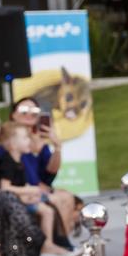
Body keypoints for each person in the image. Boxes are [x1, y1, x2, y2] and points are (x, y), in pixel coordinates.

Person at [0, 122, 81, 256]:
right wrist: (28, 192)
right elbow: (4, 188)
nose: (29, 140)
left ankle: (52, 247)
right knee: (45, 211)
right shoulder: (7, 162)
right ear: (12, 143)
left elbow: (22, 184)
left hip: (19, 199)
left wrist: (32, 191)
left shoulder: (19, 161)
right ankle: (47, 248)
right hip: (7, 203)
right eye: (25, 138)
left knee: (48, 208)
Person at [7, 97, 82, 241]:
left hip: (39, 187)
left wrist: (57, 147)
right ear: (13, 115)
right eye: (23, 110)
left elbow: (50, 173)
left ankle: (61, 246)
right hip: (22, 190)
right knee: (57, 199)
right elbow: (14, 170)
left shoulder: (39, 141)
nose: (29, 113)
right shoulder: (10, 140)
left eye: (34, 110)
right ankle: (60, 247)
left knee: (67, 197)